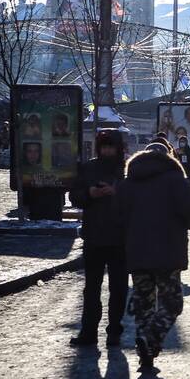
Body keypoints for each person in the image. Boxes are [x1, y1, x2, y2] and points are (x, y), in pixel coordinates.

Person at [115, 142, 190, 373]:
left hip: (137, 253)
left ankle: (145, 347)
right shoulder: (175, 180)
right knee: (171, 303)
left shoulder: (128, 183)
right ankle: (152, 338)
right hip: (168, 254)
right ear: (168, 157)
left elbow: (118, 217)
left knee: (143, 302)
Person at [68, 129, 128, 347]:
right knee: (91, 289)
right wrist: (89, 194)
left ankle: (114, 331)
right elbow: (74, 195)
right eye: (104, 146)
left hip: (120, 239)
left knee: (118, 288)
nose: (107, 150)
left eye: (111, 146)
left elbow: (135, 201)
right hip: (93, 237)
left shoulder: (127, 170)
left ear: (118, 148)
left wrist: (117, 193)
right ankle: (89, 332)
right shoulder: (89, 168)